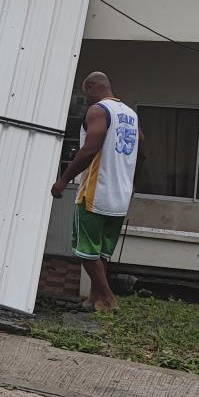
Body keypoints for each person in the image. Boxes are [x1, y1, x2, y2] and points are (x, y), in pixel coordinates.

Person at [51, 71, 141, 312]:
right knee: (99, 251)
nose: (86, 98)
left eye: (85, 91)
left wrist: (63, 180)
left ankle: (109, 299)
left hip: (96, 192)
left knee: (86, 251)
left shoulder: (99, 110)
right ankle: (94, 299)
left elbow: (90, 149)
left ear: (91, 87)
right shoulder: (130, 114)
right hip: (120, 195)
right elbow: (140, 147)